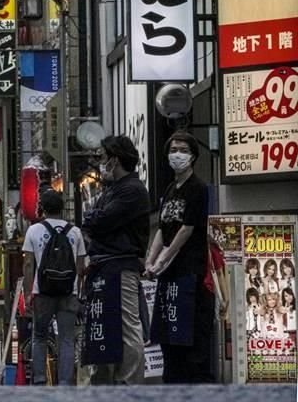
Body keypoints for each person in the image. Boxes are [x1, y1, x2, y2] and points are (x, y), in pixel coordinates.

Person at [80, 135, 151, 385]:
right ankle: (106, 385)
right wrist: (94, 220)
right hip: (105, 267)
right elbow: (91, 220)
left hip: (121, 267)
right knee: (104, 327)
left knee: (126, 329)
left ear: (115, 160)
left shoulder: (132, 190)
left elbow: (98, 221)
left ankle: (129, 384)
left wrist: (95, 221)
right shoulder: (112, 190)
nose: (100, 163)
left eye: (102, 158)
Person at [145, 132, 214, 383]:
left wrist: (161, 262)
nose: (177, 154)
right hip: (169, 278)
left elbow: (187, 229)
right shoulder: (170, 189)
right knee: (168, 338)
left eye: (183, 150)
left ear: (193, 156)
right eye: (173, 149)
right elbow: (163, 229)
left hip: (190, 274)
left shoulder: (198, 188)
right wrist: (150, 262)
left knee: (191, 340)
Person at [22, 189, 86, 386]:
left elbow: (28, 265)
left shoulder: (34, 231)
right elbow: (81, 267)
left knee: (39, 336)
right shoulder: (75, 232)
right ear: (62, 208)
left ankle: (40, 380)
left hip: (42, 293)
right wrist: (77, 290)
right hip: (69, 293)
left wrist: (27, 294)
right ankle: (65, 384)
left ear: (42, 208)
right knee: (67, 339)